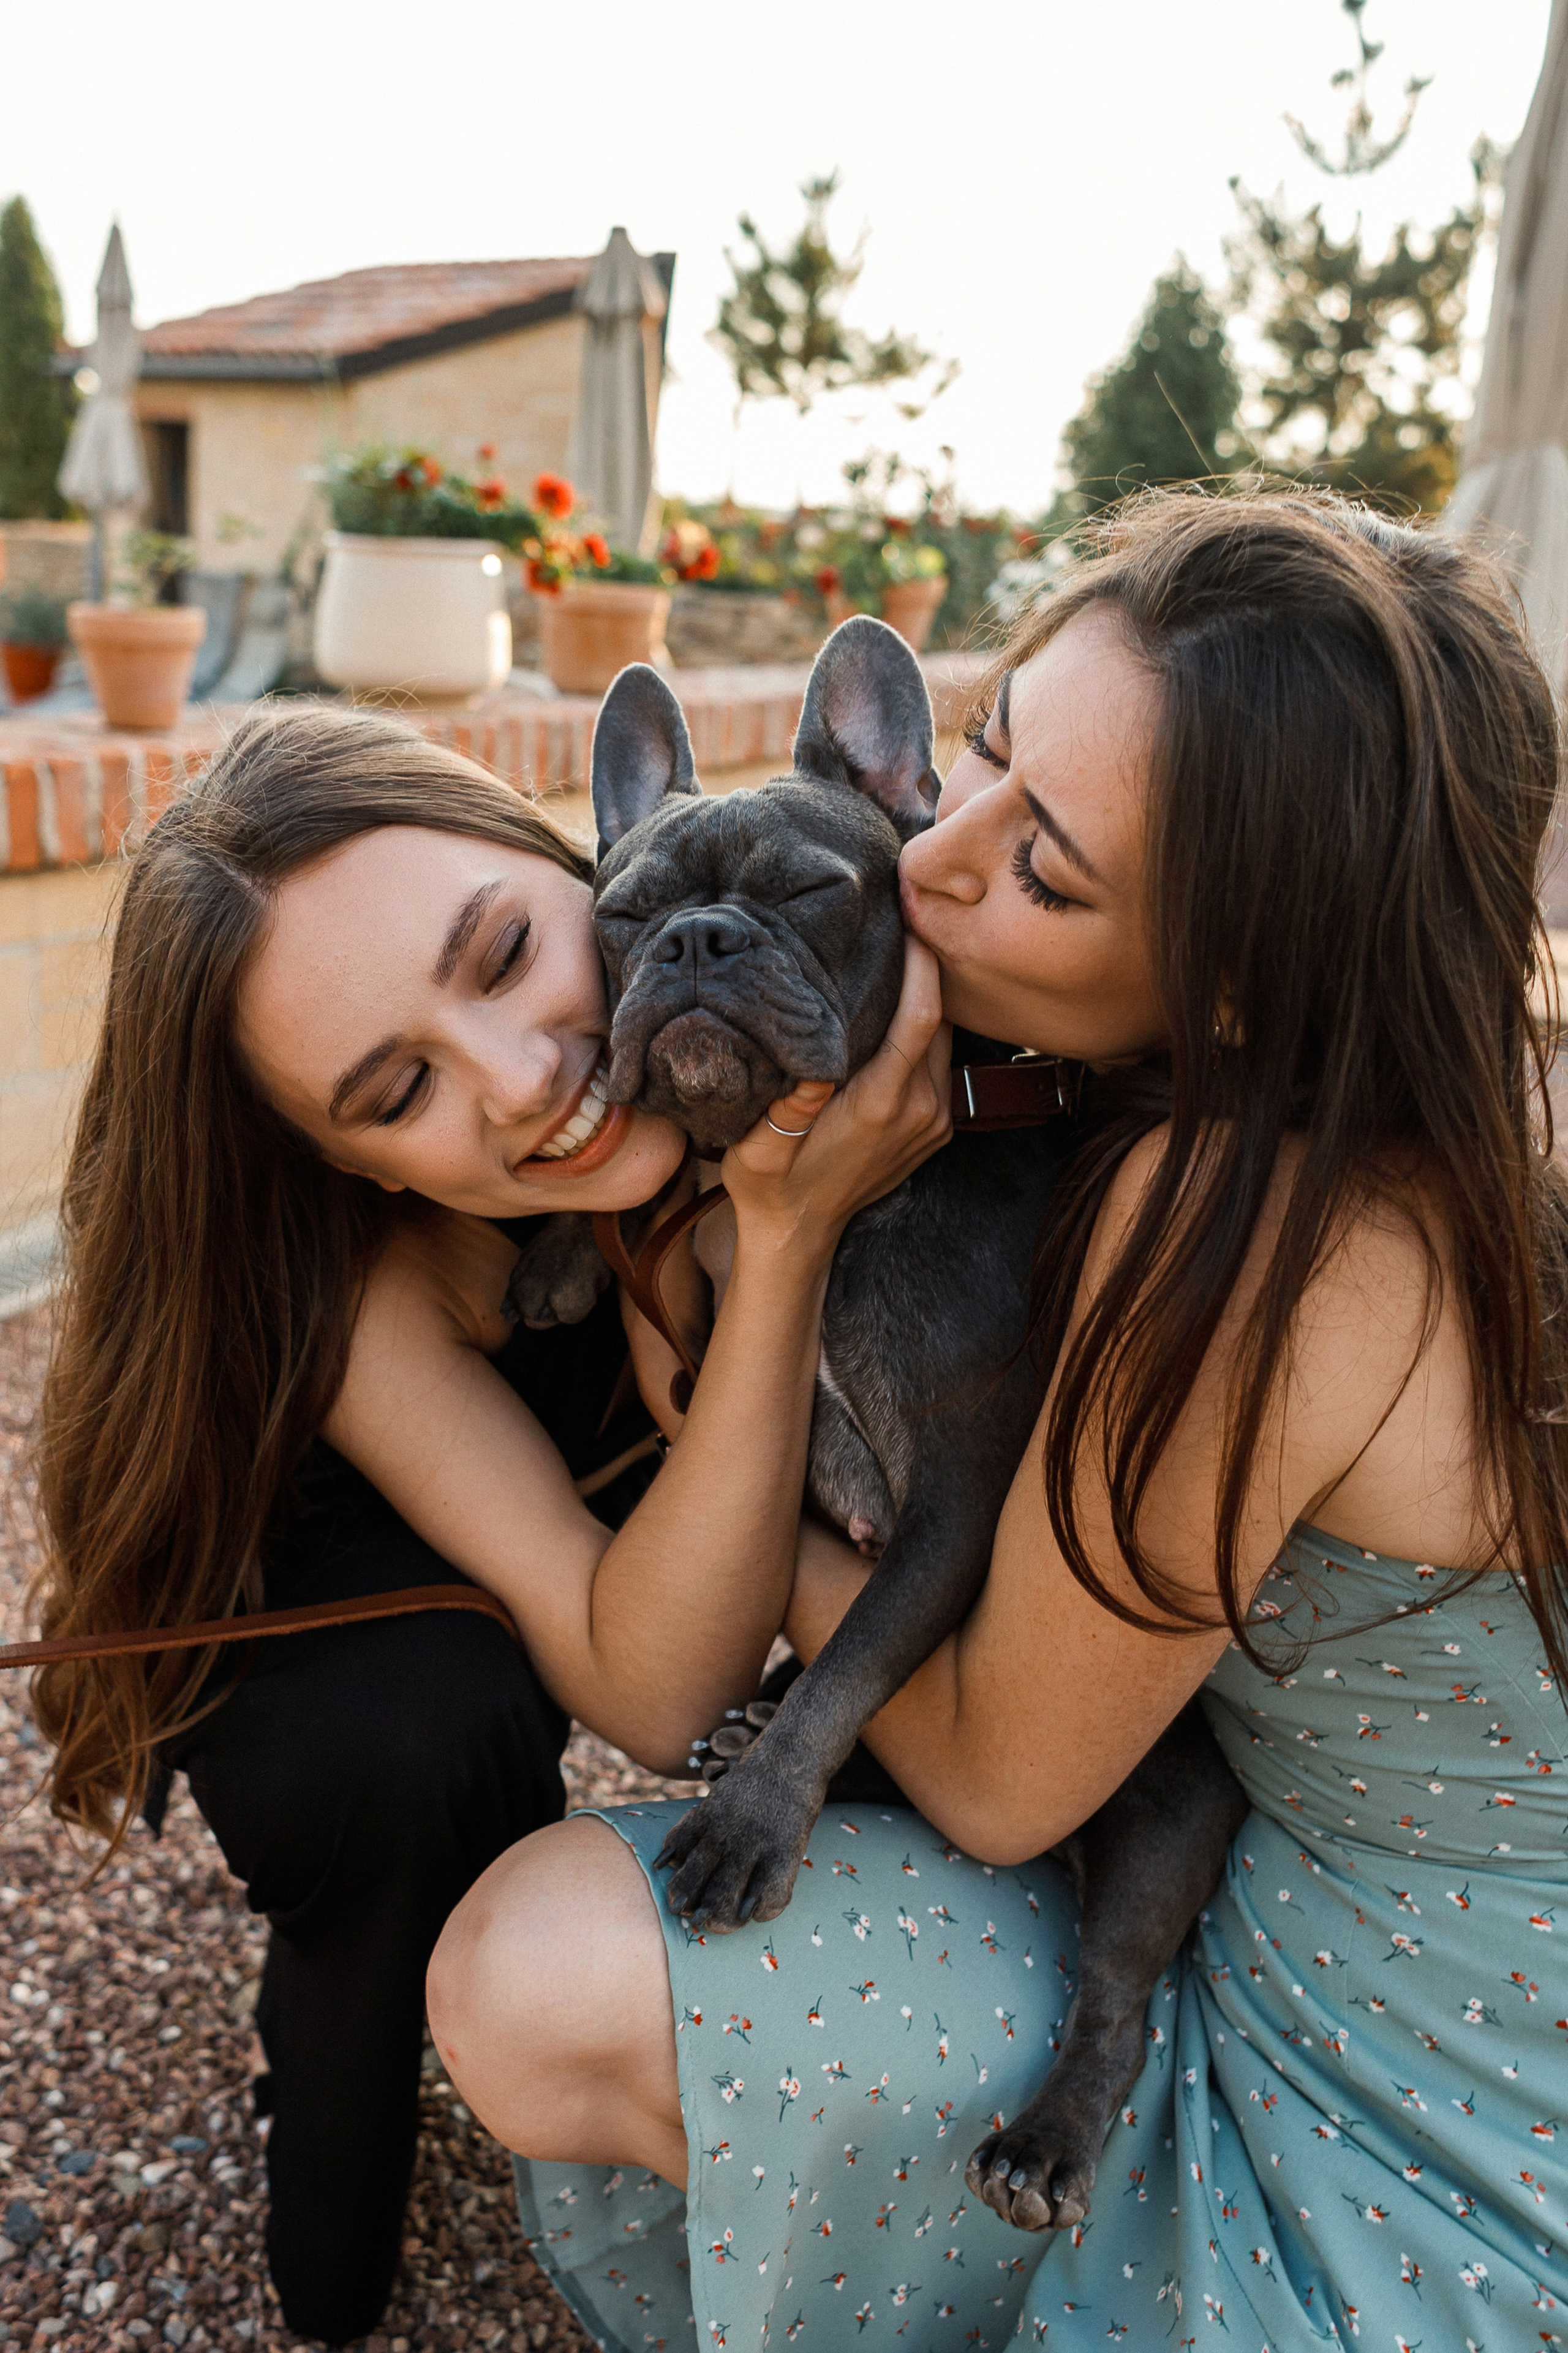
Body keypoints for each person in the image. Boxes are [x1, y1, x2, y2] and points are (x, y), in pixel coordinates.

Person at [427, 489, 1568, 2351]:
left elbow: (992, 1778)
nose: (930, 862)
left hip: (1425, 2058)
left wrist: (719, 1410)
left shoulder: (1230, 1228)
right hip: (1344, 1883)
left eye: (1046, 873)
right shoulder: (1375, 1135)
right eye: (981, 755)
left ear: (1230, 983)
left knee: (543, 1967)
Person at [29, 706, 949, 2346]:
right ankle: (328, 2163)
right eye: (402, 1090)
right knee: (416, 1747)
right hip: (347, 1640)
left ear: (576, 850)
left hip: (594, 1556)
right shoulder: (369, 1294)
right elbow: (661, 1692)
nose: (532, 1079)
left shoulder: (742, 961)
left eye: (513, 949)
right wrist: (786, 1236)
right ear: (347, 1164)